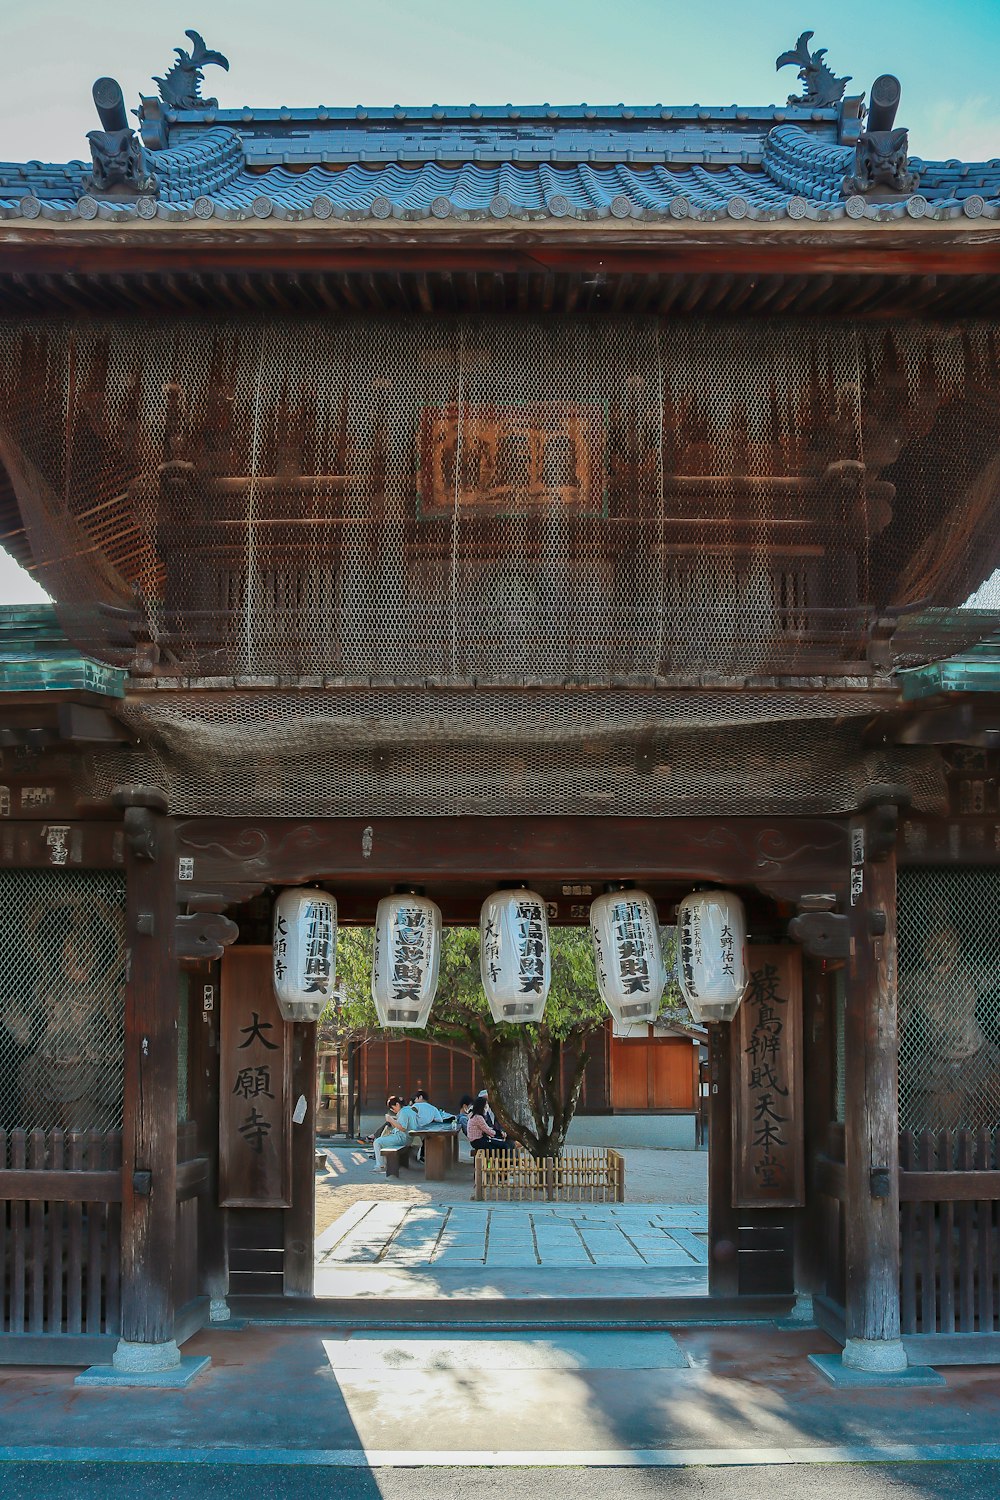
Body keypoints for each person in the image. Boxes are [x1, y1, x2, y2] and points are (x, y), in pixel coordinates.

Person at [372, 1095, 416, 1171]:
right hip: (408, 1138)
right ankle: (383, 1165)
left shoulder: (403, 1112)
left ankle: (380, 1166)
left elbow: (402, 1128)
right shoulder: (409, 1109)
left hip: (402, 1138)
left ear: (397, 1104)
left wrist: (390, 1120)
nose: (393, 1110)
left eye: (392, 1108)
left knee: (377, 1142)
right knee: (383, 1141)